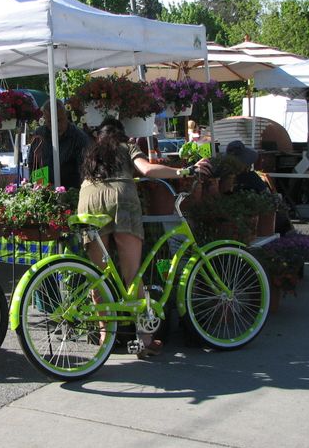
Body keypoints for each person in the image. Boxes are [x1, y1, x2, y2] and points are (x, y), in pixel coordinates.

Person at [78, 117, 211, 357]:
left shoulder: (91, 153)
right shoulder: (126, 147)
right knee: (133, 274)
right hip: (121, 199)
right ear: (122, 135)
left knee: (97, 275)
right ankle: (144, 341)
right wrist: (184, 170)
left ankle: (103, 336)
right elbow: (147, 170)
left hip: (88, 200)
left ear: (100, 137)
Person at [27, 99, 90, 189]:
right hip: (46, 191)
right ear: (45, 119)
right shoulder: (40, 135)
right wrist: (42, 187)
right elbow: (34, 163)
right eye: (50, 122)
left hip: (72, 192)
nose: (55, 125)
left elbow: (85, 171)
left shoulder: (78, 137)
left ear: (66, 116)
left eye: (59, 120)